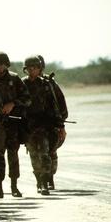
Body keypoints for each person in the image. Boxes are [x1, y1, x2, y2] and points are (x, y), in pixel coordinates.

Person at [0, 52, 31, 198]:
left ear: (6, 64)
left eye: (2, 64)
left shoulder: (14, 79)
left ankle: (14, 186)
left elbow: (27, 99)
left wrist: (13, 104)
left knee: (13, 154)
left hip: (13, 122)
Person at [22, 56, 65, 195]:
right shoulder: (22, 84)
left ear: (39, 69)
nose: (32, 70)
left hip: (44, 126)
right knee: (34, 156)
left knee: (45, 154)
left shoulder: (46, 84)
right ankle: (39, 182)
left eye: (34, 68)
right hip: (29, 126)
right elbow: (18, 104)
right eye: (29, 68)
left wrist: (60, 125)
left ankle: (45, 181)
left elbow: (54, 105)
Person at [38, 55, 68, 190]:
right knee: (38, 152)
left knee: (52, 151)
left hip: (52, 124)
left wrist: (61, 124)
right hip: (36, 125)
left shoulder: (50, 83)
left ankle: (50, 177)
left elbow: (60, 103)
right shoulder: (27, 83)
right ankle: (41, 179)